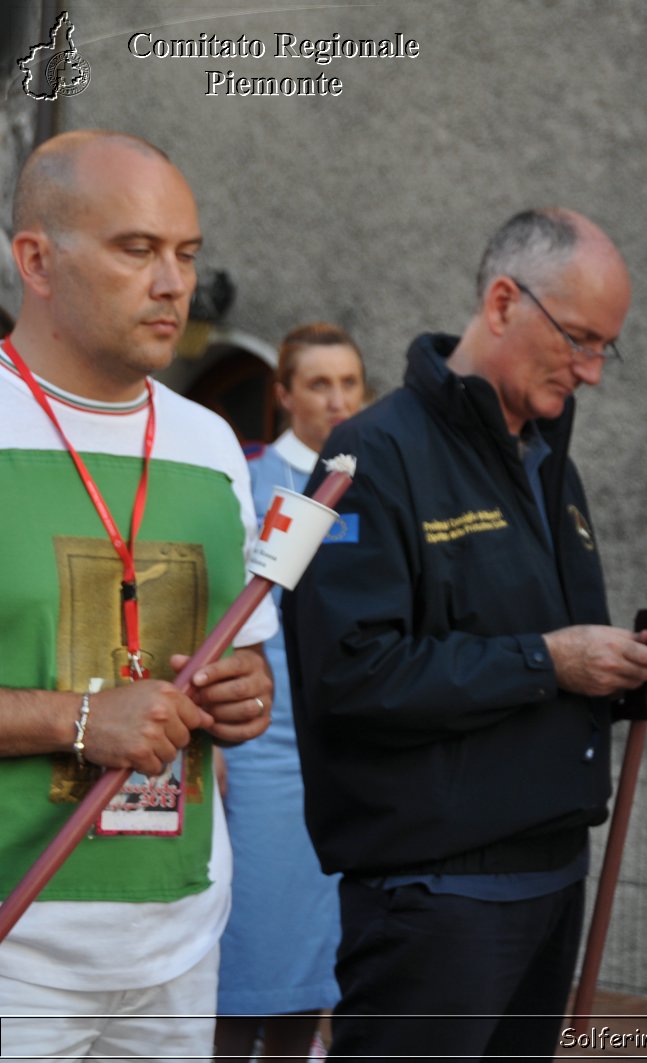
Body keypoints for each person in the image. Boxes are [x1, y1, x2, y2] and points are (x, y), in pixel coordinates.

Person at [283, 208, 647, 1061]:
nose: (594, 371)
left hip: (551, 878)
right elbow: (352, 675)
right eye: (580, 339)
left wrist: (617, 673)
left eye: (607, 346)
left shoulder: (552, 465)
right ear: (503, 301)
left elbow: (533, 666)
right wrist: (551, 661)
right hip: (437, 895)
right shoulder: (369, 456)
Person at [0, 130, 274, 1059]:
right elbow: (97, 715)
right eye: (137, 249)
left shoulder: (212, 446)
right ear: (36, 259)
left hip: (178, 935)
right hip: (17, 949)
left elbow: (238, 657)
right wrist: (80, 719)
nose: (173, 283)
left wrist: (244, 693)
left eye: (187, 254)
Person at [214, 322, 367, 1060]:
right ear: (283, 394)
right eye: (317, 383)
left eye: (349, 383)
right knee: (250, 966)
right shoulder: (253, 481)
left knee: (315, 976)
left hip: (351, 757)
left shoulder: (377, 482)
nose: (337, 400)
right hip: (269, 756)